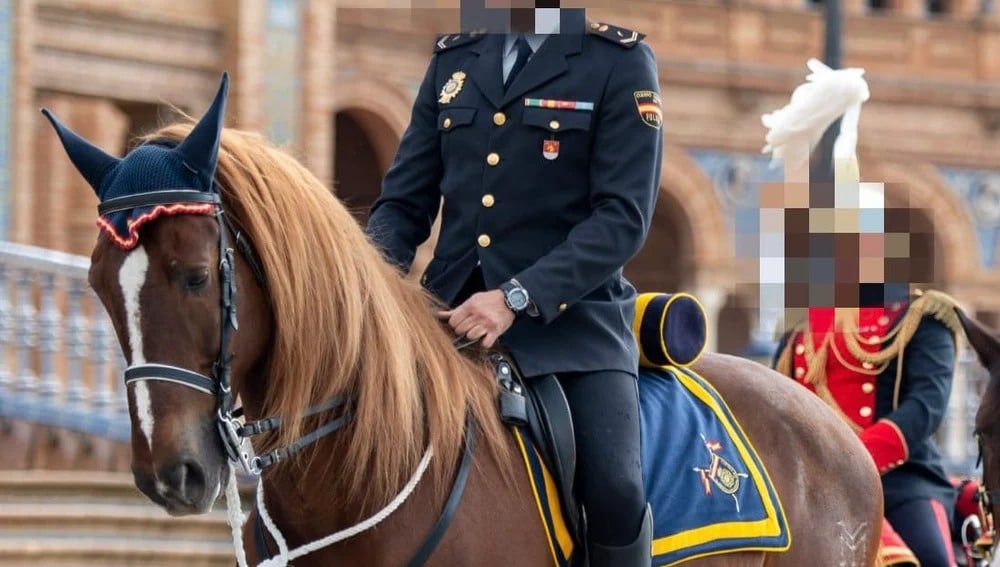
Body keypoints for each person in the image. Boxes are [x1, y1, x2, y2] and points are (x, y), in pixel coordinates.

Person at [364, 4, 662, 566]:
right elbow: (404, 205)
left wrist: (515, 297)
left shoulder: (617, 62)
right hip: (446, 320)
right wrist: (364, 288)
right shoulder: (455, 59)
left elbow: (623, 218)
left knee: (616, 487)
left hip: (572, 331)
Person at [761, 60, 961, 567]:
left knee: (931, 561)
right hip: (809, 488)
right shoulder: (800, 335)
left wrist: (851, 463)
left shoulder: (920, 316)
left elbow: (924, 408)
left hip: (897, 482)